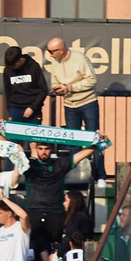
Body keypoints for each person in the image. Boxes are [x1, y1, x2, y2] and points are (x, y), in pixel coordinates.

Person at [42, 38, 101, 171]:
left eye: (51, 52)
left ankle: (99, 175)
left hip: (88, 103)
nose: (50, 55)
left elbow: (92, 80)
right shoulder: (55, 63)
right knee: (73, 141)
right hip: (69, 106)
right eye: (48, 51)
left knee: (94, 140)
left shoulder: (80, 58)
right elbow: (55, 81)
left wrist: (70, 87)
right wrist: (57, 88)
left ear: (61, 50)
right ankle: (78, 172)